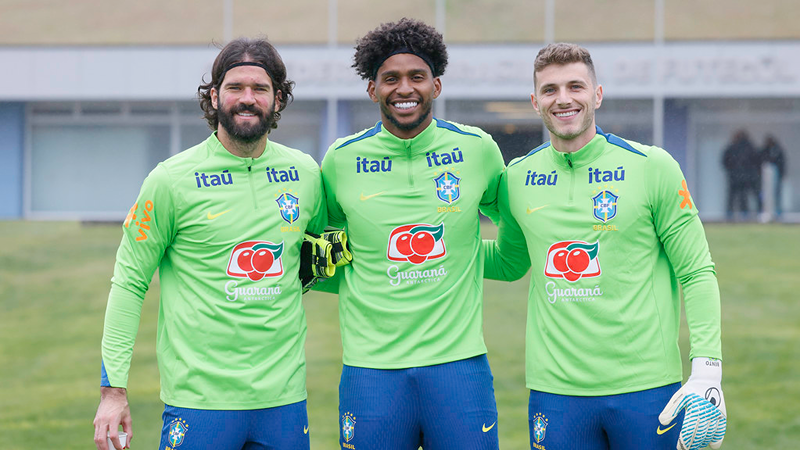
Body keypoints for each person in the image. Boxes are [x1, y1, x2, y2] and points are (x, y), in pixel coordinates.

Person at [484, 43, 726, 450]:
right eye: (550, 90)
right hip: (556, 393)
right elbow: (510, 262)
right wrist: (426, 248)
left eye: (575, 86)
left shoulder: (652, 167)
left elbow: (696, 270)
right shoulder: (516, 178)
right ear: (535, 102)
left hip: (646, 387)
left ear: (597, 95)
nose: (563, 99)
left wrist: (707, 370)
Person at [92, 37, 327, 450]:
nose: (247, 98)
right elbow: (129, 283)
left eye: (260, 88)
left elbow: (320, 262)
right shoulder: (170, 180)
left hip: (284, 402)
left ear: (277, 99)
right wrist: (113, 391)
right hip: (199, 403)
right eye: (236, 87)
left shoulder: (306, 174)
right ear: (215, 96)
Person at [319, 18, 505, 450]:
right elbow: (315, 250)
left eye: (417, 76)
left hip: (459, 366)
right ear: (372, 89)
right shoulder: (341, 160)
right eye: (391, 79)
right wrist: (366, 274)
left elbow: (515, 233)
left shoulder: (477, 149)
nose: (405, 88)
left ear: (435, 85)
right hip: (370, 369)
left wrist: (470, 257)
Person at [722, 129, 759, 220]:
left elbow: (725, 160)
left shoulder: (732, 147)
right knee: (743, 196)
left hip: (735, 176)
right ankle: (744, 214)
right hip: (745, 177)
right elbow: (756, 161)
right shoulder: (749, 147)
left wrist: (731, 169)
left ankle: (730, 214)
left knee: (733, 197)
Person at [760, 134, 786, 218]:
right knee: (766, 195)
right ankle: (766, 210)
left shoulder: (777, 150)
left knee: (776, 194)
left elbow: (781, 163)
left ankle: (777, 211)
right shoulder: (765, 151)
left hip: (775, 176)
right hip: (766, 177)